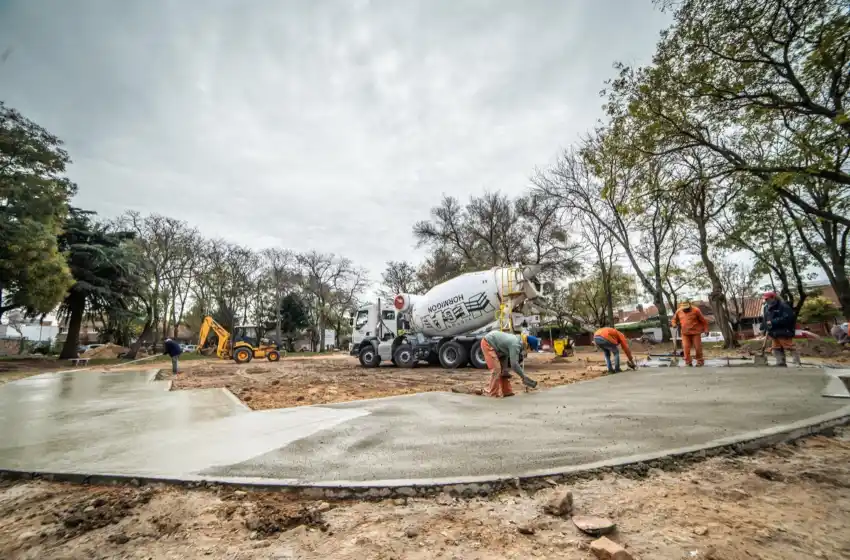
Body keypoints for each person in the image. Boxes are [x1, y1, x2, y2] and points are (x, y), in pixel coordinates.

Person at [479, 331, 540, 397]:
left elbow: (507, 353)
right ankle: (492, 393)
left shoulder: (518, 342)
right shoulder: (516, 344)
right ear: (528, 344)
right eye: (531, 349)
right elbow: (514, 364)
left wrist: (505, 369)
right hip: (488, 342)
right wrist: (523, 376)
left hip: (501, 349)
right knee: (496, 370)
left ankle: (507, 392)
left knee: (504, 371)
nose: (531, 351)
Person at [762, 292, 800, 367]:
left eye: (767, 299)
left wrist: (773, 322)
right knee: (776, 348)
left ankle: (797, 362)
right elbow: (765, 319)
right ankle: (780, 362)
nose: (766, 301)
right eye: (765, 299)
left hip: (784, 331)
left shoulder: (783, 306)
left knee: (789, 347)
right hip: (773, 332)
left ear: (773, 298)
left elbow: (788, 318)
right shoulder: (766, 307)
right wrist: (763, 327)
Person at [670, 300, 709, 367]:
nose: (685, 309)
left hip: (695, 332)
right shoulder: (679, 311)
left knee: (697, 347)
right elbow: (673, 320)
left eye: (687, 308)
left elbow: (703, 321)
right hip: (685, 333)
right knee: (685, 347)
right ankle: (688, 362)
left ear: (690, 305)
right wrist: (674, 324)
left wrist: (706, 329)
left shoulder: (696, 310)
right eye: (684, 308)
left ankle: (700, 361)